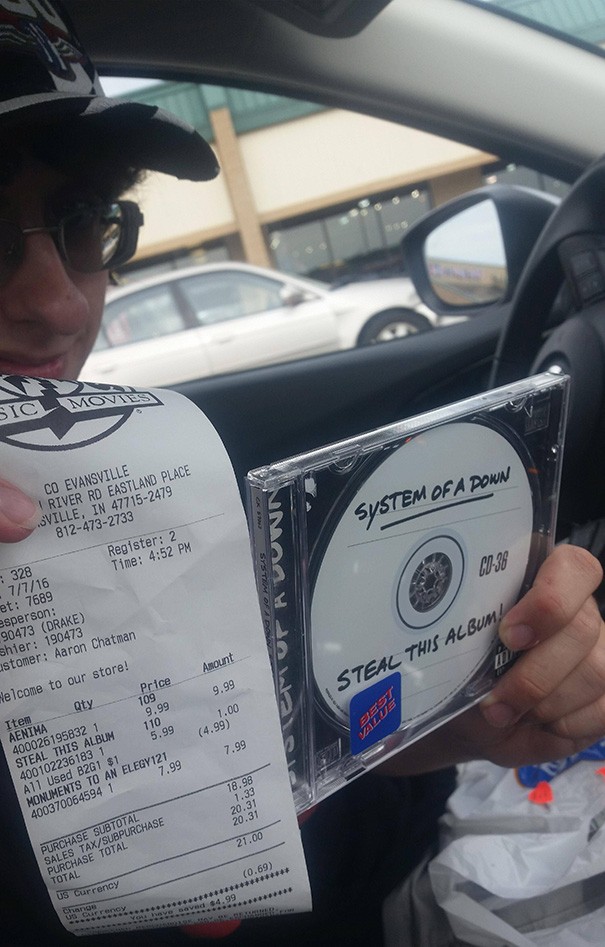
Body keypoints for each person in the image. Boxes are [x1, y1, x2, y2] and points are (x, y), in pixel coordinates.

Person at [0, 2, 603, 945]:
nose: (59, 301)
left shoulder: (149, 491)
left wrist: (461, 713)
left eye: (83, 223)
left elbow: (307, 792)